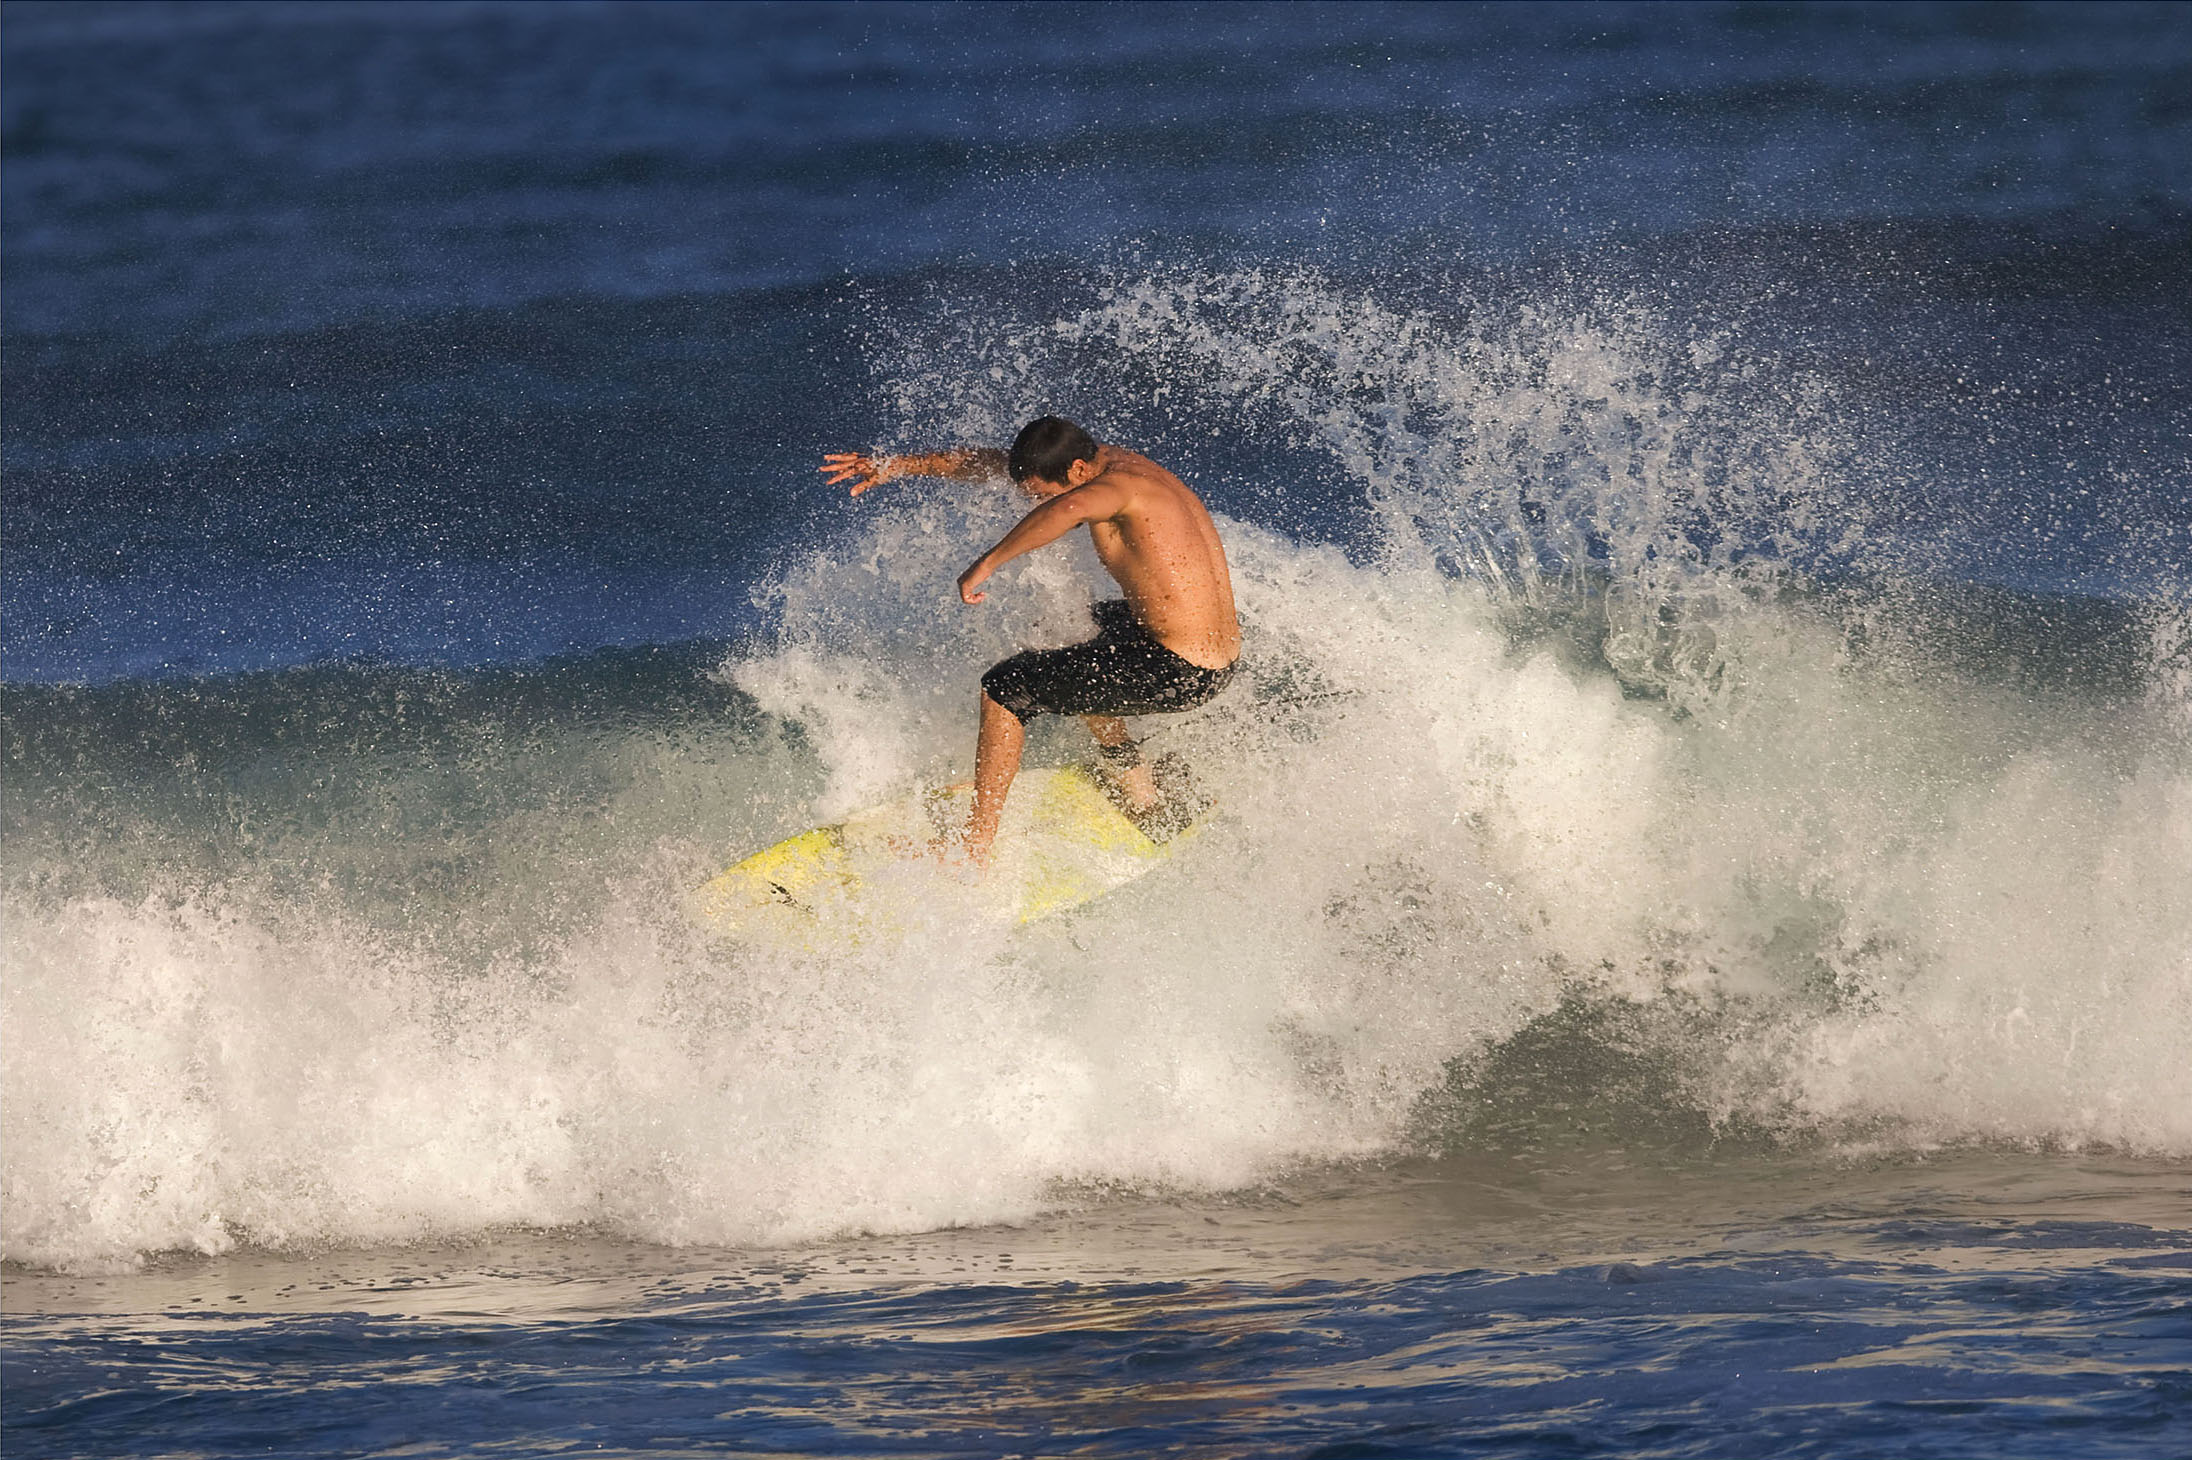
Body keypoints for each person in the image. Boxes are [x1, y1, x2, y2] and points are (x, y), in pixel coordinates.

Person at [821, 416, 1240, 864]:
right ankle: (1137, 785)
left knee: (1005, 690)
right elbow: (987, 464)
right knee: (1067, 633)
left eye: (1040, 494)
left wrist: (985, 564)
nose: (1035, 503)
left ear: (1079, 471)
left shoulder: (1114, 491)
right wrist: (899, 466)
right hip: (1205, 650)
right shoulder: (1111, 462)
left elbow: (1064, 511)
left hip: (1180, 670)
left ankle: (973, 848)